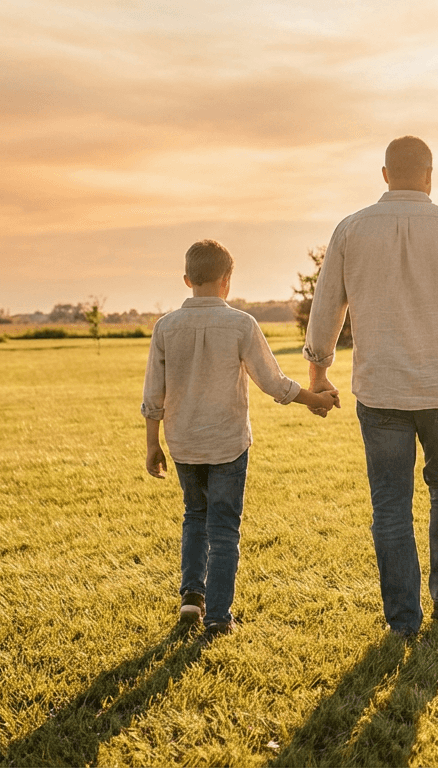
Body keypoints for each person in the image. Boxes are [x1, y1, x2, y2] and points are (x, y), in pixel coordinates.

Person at [303, 136, 438, 637]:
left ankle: (402, 619)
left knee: (390, 503)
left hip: (380, 388)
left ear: (384, 174)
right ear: (429, 174)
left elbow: (328, 304)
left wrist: (318, 371)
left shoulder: (350, 230)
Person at [142, 239, 340, 640]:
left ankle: (191, 597)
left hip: (182, 443)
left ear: (186, 279)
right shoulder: (240, 324)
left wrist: (152, 444)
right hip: (228, 441)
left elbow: (153, 395)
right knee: (225, 527)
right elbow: (274, 383)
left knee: (194, 515)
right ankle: (218, 615)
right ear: (227, 281)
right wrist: (314, 399)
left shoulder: (165, 327)